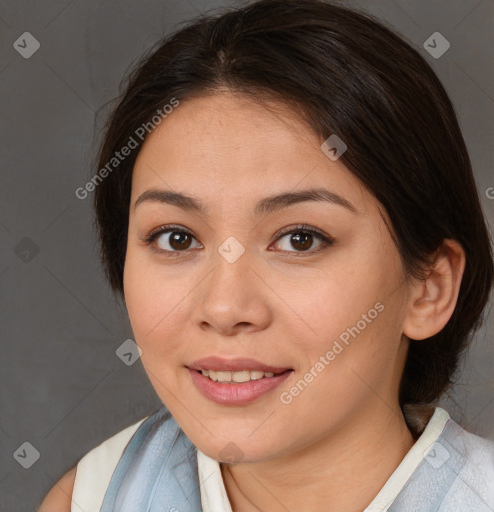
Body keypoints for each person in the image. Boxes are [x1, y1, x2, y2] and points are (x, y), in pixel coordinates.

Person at [38, 0, 494, 510]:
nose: (225, 309)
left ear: (429, 288)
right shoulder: (93, 498)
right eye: (177, 238)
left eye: (301, 239)